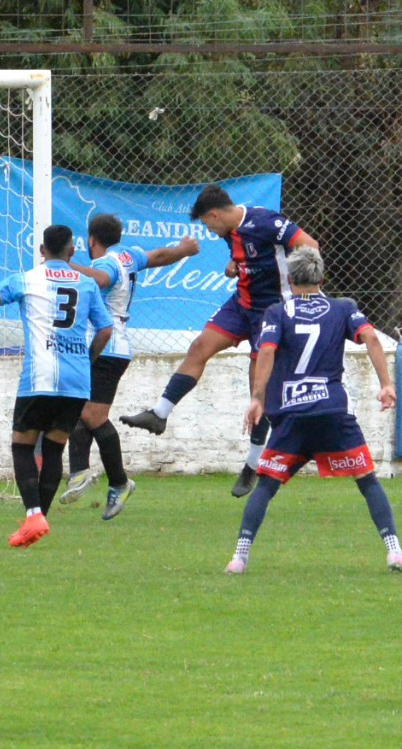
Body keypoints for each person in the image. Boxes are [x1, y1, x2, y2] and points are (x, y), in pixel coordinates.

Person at [121, 184, 319, 498]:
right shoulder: (230, 232)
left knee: (258, 386)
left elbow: (309, 245)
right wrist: (235, 266)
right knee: (200, 346)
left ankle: (252, 464)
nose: (208, 231)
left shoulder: (265, 221)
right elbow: (249, 259)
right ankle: (159, 414)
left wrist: (298, 294)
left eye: (206, 224)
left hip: (273, 311)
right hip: (242, 304)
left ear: (215, 215)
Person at [223, 247, 402, 574]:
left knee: (266, 485)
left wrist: (257, 398)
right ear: (322, 278)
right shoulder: (343, 308)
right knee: (367, 480)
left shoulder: (277, 312)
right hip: (332, 411)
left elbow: (267, 352)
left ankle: (239, 557)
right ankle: (394, 551)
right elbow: (371, 338)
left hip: (291, 415)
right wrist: (387, 384)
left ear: (289, 279)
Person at [0, 224, 112, 547]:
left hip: (39, 378)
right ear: (72, 252)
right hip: (76, 382)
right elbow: (106, 330)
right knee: (54, 448)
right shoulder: (85, 283)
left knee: (22, 446)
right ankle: (38, 519)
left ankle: (33, 514)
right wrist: (86, 360)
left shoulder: (26, 279)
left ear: (42, 250)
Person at [59, 215, 201, 518]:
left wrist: (65, 266)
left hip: (106, 346)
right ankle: (81, 473)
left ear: (91, 240)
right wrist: (183, 249)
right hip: (111, 345)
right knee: (77, 406)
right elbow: (158, 256)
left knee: (93, 416)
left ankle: (117, 482)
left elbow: (102, 279)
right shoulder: (128, 256)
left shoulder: (104, 264)